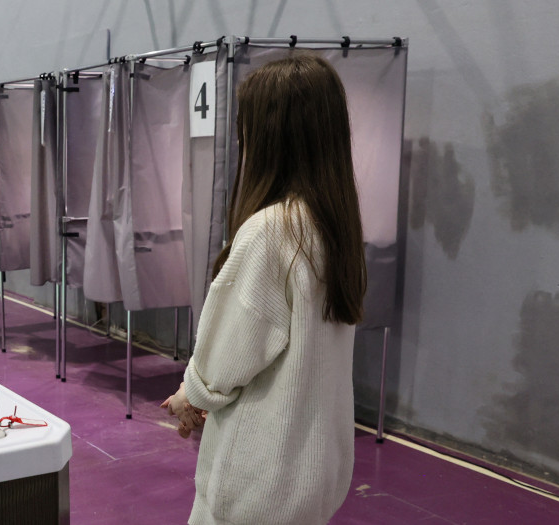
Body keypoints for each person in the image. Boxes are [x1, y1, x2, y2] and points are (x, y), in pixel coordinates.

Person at [161, 54, 367, 524]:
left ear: (271, 135)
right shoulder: (335, 227)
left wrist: (189, 398)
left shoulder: (273, 231)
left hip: (261, 478)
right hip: (315, 469)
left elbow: (225, 358)